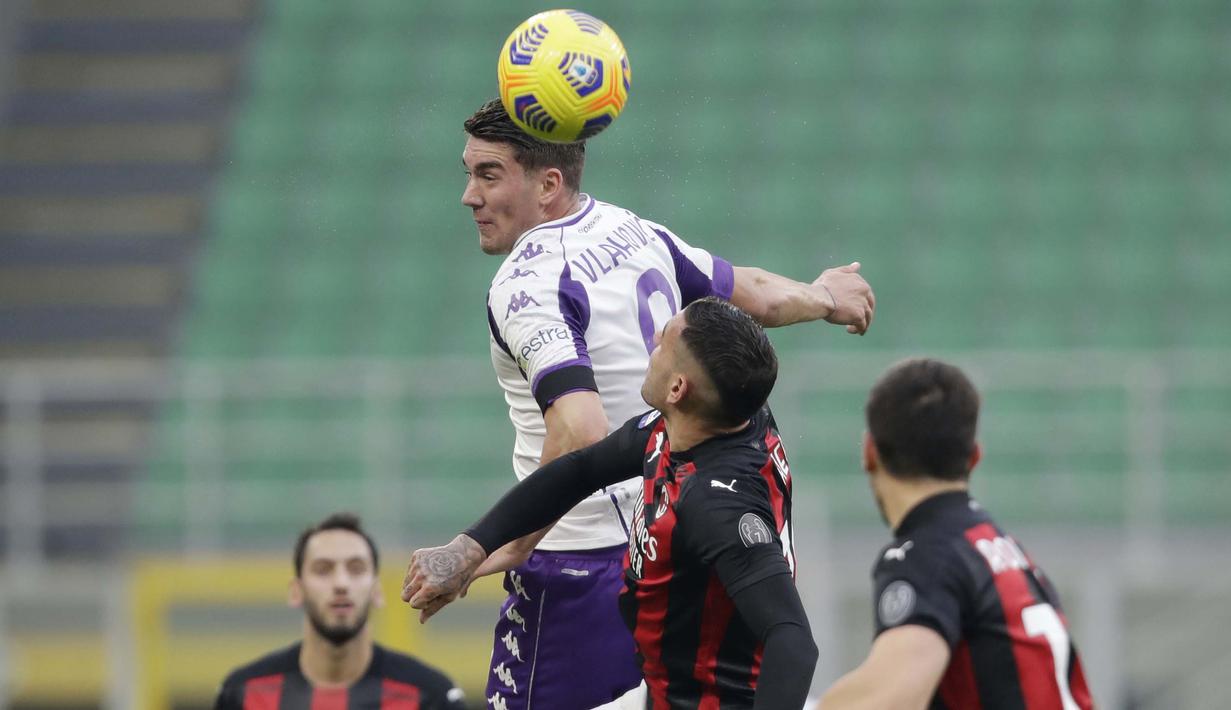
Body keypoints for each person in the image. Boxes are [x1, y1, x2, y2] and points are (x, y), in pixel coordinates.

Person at [461, 97, 871, 709]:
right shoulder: (629, 230)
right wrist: (821, 296)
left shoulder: (529, 283)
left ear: (548, 184)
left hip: (581, 563)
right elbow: (746, 291)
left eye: (487, 174)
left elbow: (580, 430)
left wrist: (513, 543)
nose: (469, 195)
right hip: (666, 539)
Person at [404, 298, 819, 710]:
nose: (654, 338)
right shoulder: (696, 422)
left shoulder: (716, 505)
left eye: (665, 341)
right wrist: (472, 547)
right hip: (659, 692)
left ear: (678, 389)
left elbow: (793, 641)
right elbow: (582, 470)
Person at [818, 359, 1094, 710]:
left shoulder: (927, 556)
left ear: (869, 452)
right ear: (974, 457)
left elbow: (892, 698)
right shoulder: (1006, 553)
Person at [214, 513, 466, 710]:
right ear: (296, 590)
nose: (341, 584)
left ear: (377, 590)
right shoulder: (242, 693)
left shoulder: (431, 696)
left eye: (356, 569)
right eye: (323, 569)